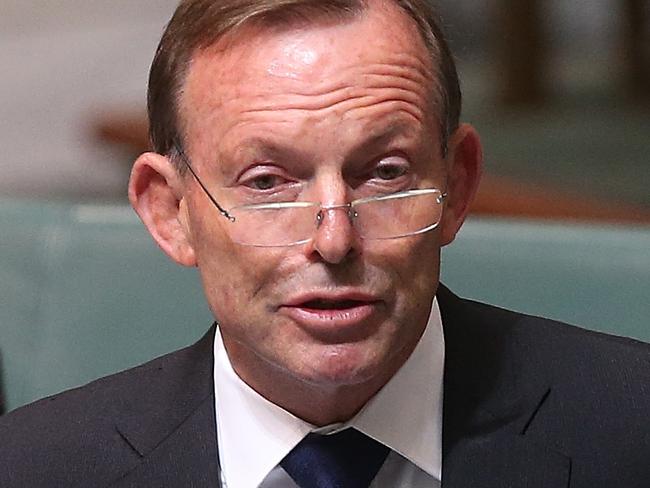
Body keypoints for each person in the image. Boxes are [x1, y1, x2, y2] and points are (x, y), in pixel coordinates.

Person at [1, 1, 648, 487]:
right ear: (171, 212)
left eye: (385, 172)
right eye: (267, 182)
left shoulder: (632, 427)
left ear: (457, 183)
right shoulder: (35, 467)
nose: (334, 240)